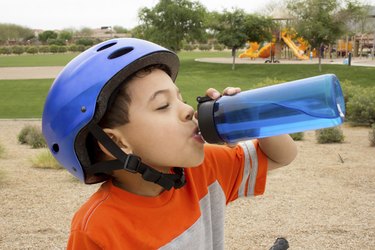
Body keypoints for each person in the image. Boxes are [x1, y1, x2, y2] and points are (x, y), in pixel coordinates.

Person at [42, 38, 297, 249]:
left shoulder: (203, 169)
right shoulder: (98, 230)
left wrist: (253, 117)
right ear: (115, 142)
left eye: (180, 98)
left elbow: (279, 156)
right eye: (163, 105)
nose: (187, 110)